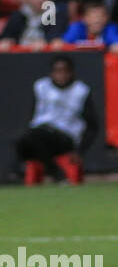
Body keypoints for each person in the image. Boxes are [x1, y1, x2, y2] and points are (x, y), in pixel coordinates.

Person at [16, 55, 97, 185]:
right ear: (51, 73)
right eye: (57, 71)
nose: (61, 75)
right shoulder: (41, 86)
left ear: (71, 72)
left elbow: (93, 125)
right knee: (23, 142)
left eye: (64, 71)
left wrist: (80, 151)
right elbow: (32, 115)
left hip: (65, 136)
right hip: (40, 132)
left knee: (34, 139)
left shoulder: (80, 90)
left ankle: (57, 175)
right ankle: (55, 174)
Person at [0, 0, 69, 48]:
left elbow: (56, 37)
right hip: (19, 55)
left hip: (44, 55)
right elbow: (6, 37)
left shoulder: (57, 14)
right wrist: (7, 41)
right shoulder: (18, 15)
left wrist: (46, 42)